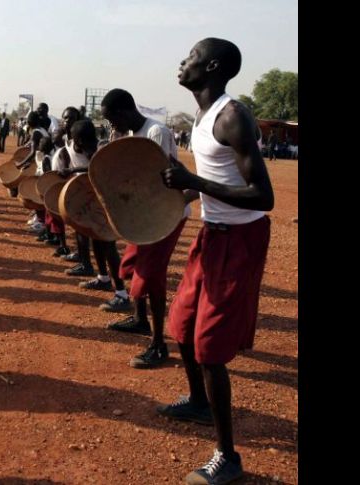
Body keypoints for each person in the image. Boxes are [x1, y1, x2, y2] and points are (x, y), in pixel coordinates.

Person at [160, 37, 274, 485]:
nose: (181, 62)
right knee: (182, 323)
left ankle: (228, 457)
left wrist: (194, 182)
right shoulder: (203, 117)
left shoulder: (232, 116)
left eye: (188, 57)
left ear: (210, 67)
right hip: (213, 234)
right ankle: (198, 401)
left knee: (209, 347)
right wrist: (175, 192)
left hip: (240, 239)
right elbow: (211, 179)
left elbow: (263, 197)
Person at [99, 88, 198, 369]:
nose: (111, 125)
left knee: (151, 276)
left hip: (164, 216)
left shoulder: (157, 132)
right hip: (143, 215)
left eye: (112, 119)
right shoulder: (131, 135)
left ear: (125, 111)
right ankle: (140, 319)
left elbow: (163, 181)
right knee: (132, 266)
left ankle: (158, 344)